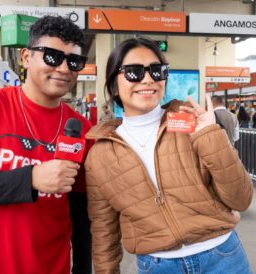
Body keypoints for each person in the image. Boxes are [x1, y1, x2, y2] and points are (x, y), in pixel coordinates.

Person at [84, 38, 253, 274]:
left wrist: (210, 134)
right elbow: (104, 230)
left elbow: (241, 199)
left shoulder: (193, 122)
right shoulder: (100, 154)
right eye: (133, 72)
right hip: (157, 266)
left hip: (222, 257)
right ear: (113, 84)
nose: (148, 79)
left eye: (157, 71)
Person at [0, 16, 92, 274]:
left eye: (74, 61)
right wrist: (32, 178)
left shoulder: (82, 127)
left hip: (51, 266)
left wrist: (82, 268)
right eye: (52, 56)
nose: (63, 68)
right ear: (26, 57)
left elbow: (81, 214)